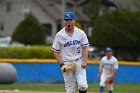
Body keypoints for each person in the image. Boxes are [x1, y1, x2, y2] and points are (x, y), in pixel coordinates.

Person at [52, 12, 89, 93]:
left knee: (83, 86)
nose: (68, 21)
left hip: (78, 61)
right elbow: (56, 52)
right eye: (66, 20)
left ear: (74, 20)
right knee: (70, 89)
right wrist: (62, 64)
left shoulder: (80, 33)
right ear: (64, 21)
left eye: (70, 20)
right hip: (66, 62)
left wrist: (84, 62)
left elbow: (85, 48)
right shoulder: (59, 35)